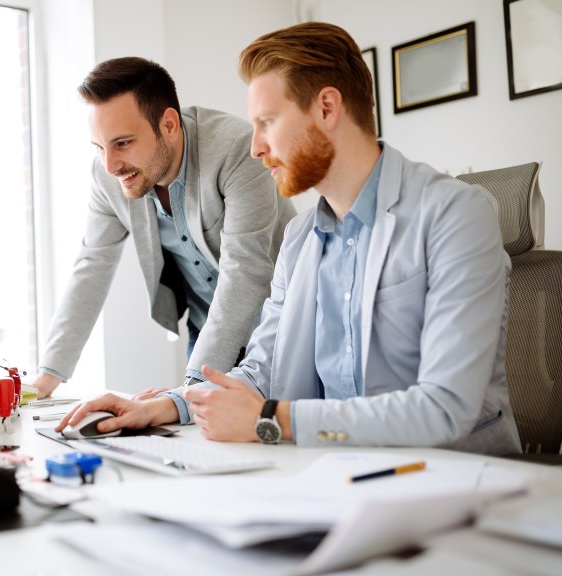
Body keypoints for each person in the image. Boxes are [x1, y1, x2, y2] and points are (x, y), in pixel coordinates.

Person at [56, 22, 522, 456]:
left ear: (326, 108)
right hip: (338, 475)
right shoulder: (300, 238)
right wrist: (169, 404)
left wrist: (271, 420)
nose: (256, 147)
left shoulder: (455, 215)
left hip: (453, 485)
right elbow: (262, 368)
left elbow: (444, 409)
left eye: (267, 122)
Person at [32, 57, 295, 399]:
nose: (110, 165)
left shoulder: (236, 148)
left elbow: (246, 271)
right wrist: (46, 378)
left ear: (169, 124)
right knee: (200, 443)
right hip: (206, 334)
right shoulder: (107, 175)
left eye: (122, 143)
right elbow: (91, 268)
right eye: (99, 147)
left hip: (280, 330)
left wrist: (186, 394)